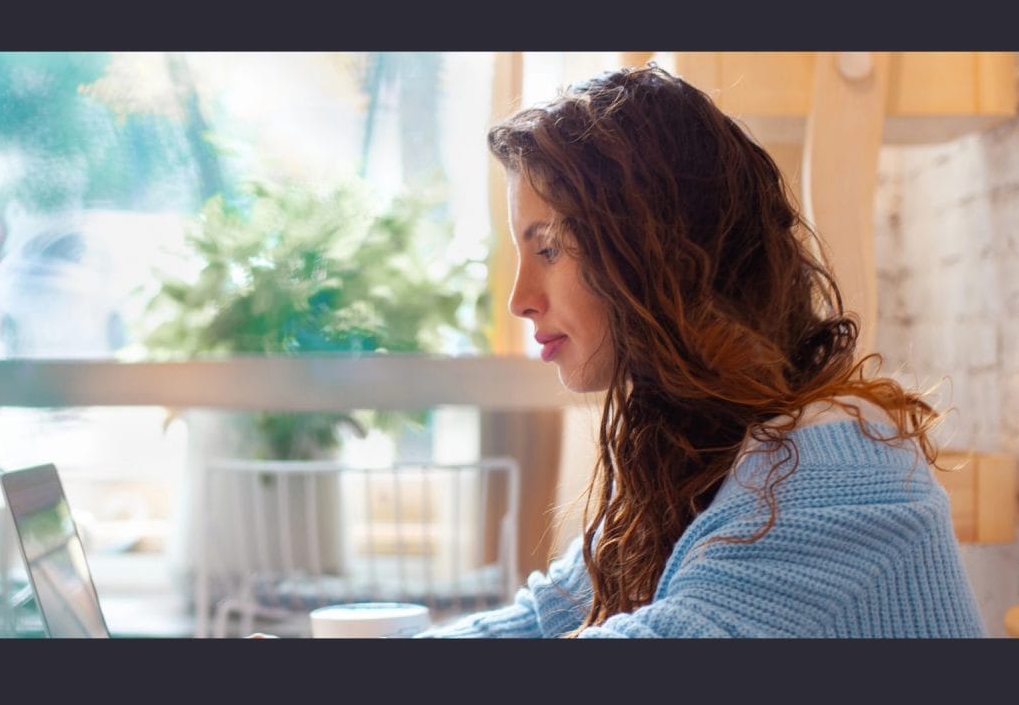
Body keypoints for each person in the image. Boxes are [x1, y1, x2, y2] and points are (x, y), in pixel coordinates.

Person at [415, 64, 986, 638]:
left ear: (655, 251)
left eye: (549, 250)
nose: (519, 300)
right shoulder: (696, 449)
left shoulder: (840, 473)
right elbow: (542, 620)